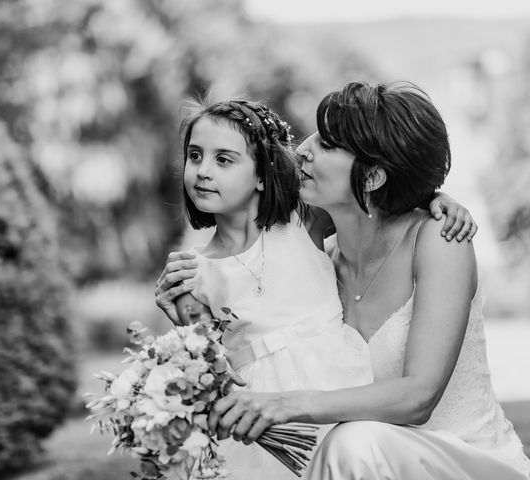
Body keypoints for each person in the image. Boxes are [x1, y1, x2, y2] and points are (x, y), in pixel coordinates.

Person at [169, 82, 529, 479]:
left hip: (460, 460)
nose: (303, 150)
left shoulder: (440, 241)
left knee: (353, 443)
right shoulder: (317, 260)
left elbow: (418, 397)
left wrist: (287, 403)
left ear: (372, 176)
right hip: (354, 464)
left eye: (326, 144)